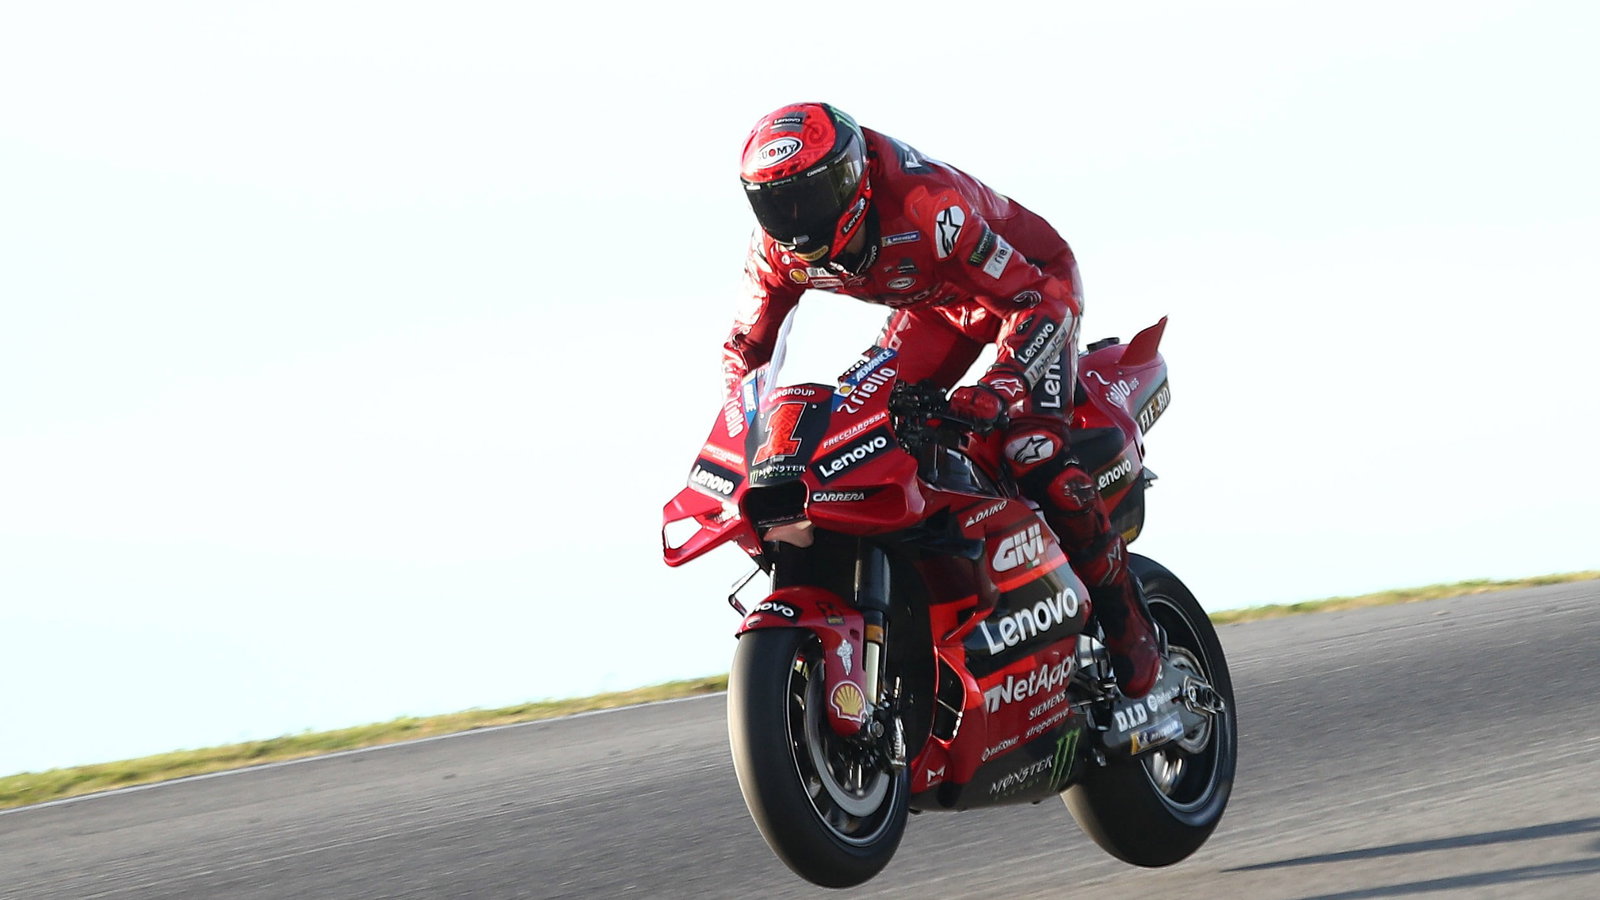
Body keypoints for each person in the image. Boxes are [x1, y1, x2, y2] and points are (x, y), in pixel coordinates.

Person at [722, 102, 1161, 698]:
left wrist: (1002, 385)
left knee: (1030, 446)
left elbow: (1037, 298)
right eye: (777, 204)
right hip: (934, 308)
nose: (798, 220)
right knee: (863, 430)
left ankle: (1125, 618)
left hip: (1030, 290)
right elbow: (746, 350)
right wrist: (745, 431)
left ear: (853, 174)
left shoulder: (926, 208)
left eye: (813, 195)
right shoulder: (776, 252)